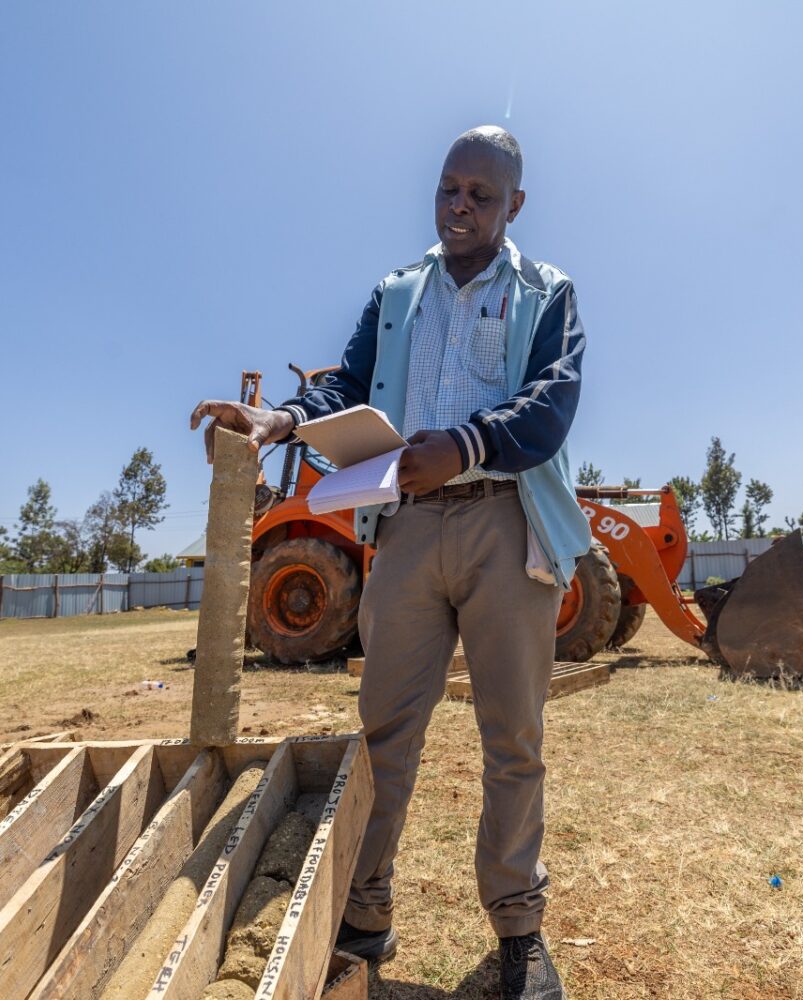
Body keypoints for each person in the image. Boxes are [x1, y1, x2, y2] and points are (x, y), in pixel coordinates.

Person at [194, 125, 589, 1000]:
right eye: (450, 188)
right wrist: (282, 421)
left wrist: (468, 443)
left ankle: (519, 931)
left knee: (513, 741)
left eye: (481, 195)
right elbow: (350, 386)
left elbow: (551, 404)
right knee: (383, 736)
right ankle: (364, 913)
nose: (460, 205)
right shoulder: (397, 291)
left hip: (505, 524)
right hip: (406, 534)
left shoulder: (545, 292)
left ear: (513, 205)